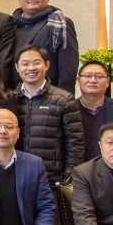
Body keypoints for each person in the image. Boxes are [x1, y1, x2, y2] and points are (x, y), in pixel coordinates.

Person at [14, 44, 84, 185]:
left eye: (36, 63)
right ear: (17, 67)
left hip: (50, 180)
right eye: (25, 64)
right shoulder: (10, 99)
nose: (31, 68)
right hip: (16, 177)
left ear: (47, 65)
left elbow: (75, 144)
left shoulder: (64, 100)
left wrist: (67, 180)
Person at [11, 0, 79, 93]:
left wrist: (65, 96)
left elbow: (68, 66)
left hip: (49, 93)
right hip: (14, 92)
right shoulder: (10, 24)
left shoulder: (61, 24)